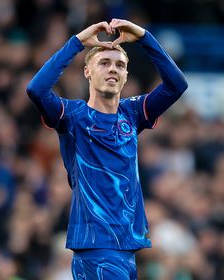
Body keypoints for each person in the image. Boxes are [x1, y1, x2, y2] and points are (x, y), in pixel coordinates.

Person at [27, 19, 188, 280]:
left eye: (120, 65)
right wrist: (77, 42)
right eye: (104, 63)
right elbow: (36, 89)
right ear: (87, 72)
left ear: (125, 77)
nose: (113, 69)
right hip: (97, 244)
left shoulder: (133, 113)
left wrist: (144, 37)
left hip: (126, 246)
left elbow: (176, 86)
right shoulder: (73, 116)